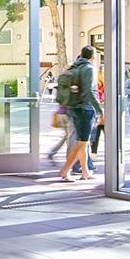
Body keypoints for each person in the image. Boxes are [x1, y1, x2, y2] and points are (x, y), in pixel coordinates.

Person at [56, 47, 103, 183]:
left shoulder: (74, 67)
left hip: (73, 107)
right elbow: (89, 91)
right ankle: (66, 169)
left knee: (83, 141)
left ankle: (85, 172)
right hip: (85, 109)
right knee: (82, 142)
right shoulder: (89, 69)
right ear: (93, 57)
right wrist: (99, 109)